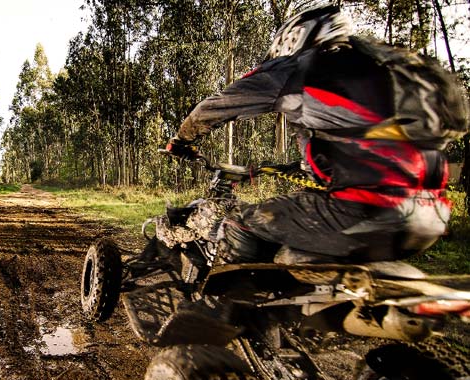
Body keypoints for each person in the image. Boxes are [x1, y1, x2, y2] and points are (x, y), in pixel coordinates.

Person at [165, 5, 469, 264]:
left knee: (241, 222)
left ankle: (222, 312)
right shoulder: (383, 77)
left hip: (363, 212)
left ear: (296, 36)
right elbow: (354, 152)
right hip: (430, 218)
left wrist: (182, 141)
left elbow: (214, 107)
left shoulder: (300, 68)